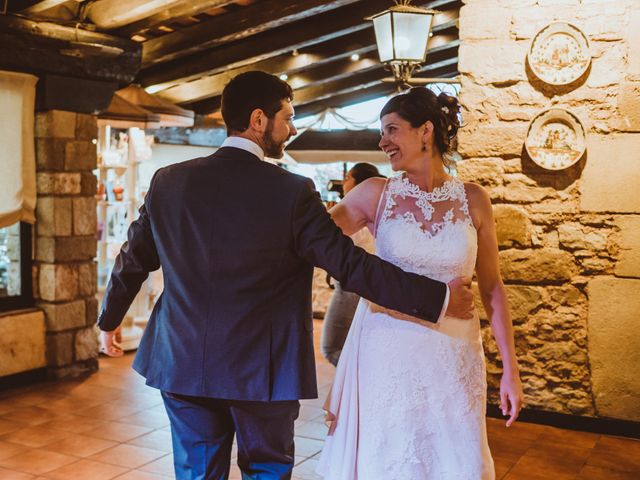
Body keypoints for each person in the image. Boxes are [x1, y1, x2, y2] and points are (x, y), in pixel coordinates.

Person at [97, 71, 476, 480]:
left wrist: (109, 321)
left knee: (196, 473)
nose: (292, 129)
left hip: (183, 359)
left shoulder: (168, 181)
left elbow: (132, 259)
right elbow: (350, 265)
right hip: (263, 368)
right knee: (266, 471)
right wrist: (437, 298)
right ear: (259, 120)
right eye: (288, 118)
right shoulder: (292, 192)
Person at [317, 87, 523, 479]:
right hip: (387, 351)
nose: (383, 142)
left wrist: (511, 369)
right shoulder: (375, 194)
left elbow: (493, 288)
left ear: (425, 131)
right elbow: (314, 239)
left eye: (392, 130)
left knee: (452, 456)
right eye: (382, 132)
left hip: (454, 353)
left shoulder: (474, 199)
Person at [321, 163, 384, 366]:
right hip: (368, 284)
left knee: (332, 348)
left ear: (359, 183)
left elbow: (330, 242)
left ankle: (363, 380)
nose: (344, 183)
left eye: (348, 178)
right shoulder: (377, 208)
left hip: (351, 286)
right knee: (357, 344)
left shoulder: (354, 210)